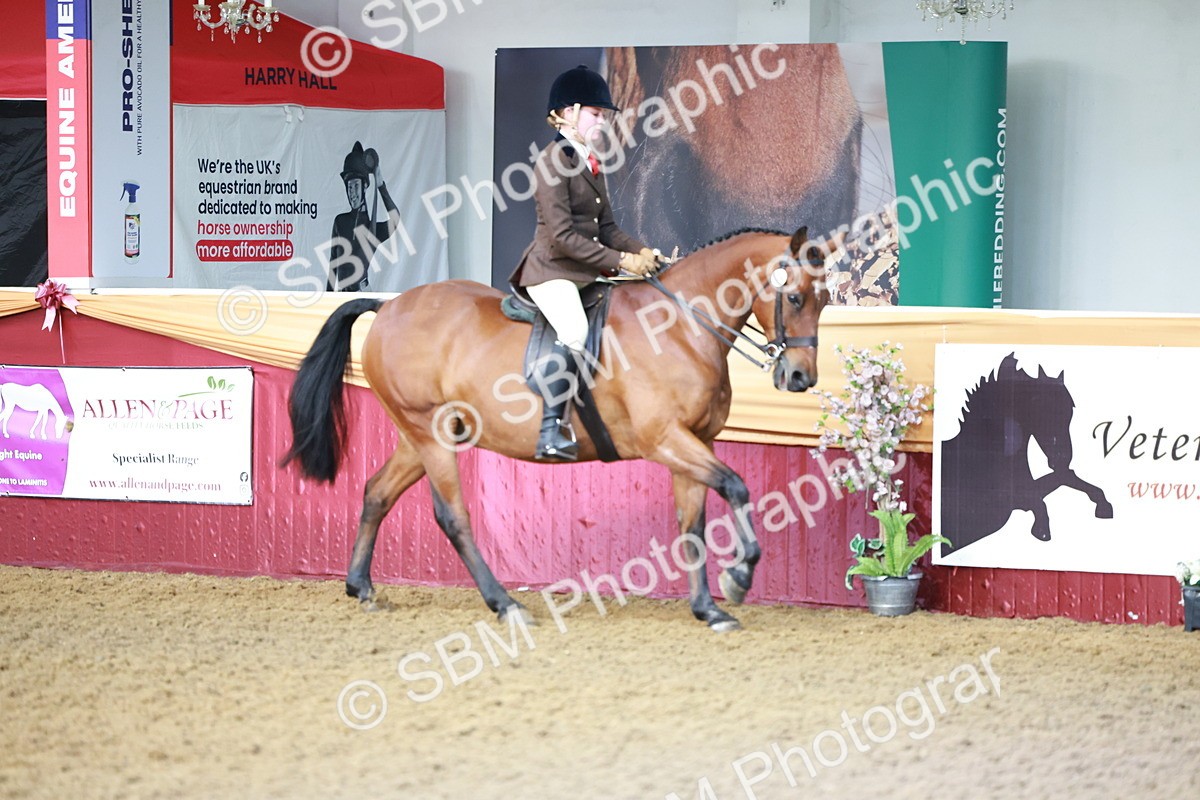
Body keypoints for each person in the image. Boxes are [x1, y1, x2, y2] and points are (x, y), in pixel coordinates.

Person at [509, 65, 660, 462]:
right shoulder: (551, 161)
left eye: (604, 115)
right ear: (568, 113)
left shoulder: (591, 163)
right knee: (575, 330)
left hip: (584, 271)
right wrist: (621, 260)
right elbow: (563, 237)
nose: (602, 121)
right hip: (552, 270)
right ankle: (551, 430)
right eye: (595, 113)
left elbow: (607, 227)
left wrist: (644, 253)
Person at [328, 141, 399, 292]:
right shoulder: (340, 222)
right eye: (349, 187)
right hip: (341, 295)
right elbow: (333, 263)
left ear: (365, 186)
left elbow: (395, 220)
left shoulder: (373, 229)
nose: (352, 193)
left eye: (355, 186)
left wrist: (380, 185)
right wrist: (327, 298)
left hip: (363, 292)